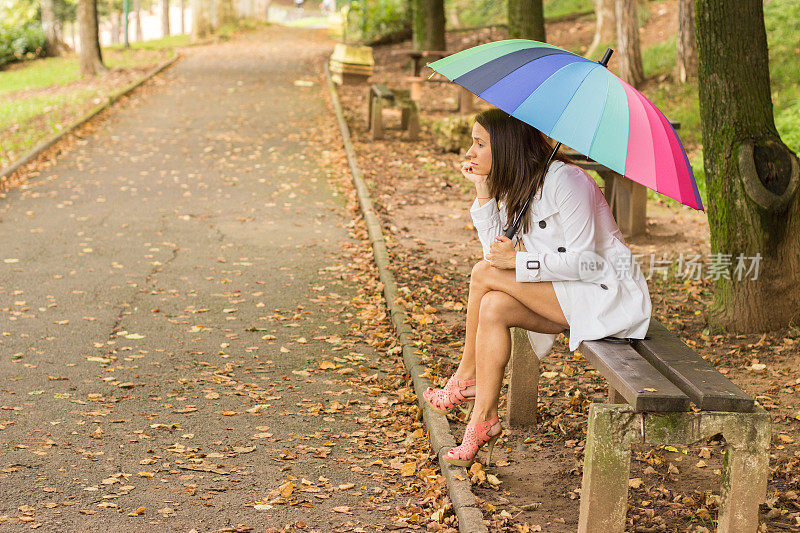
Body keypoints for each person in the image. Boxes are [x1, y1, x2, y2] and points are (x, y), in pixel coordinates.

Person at [423, 108, 651, 467]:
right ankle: (483, 420)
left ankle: (466, 376)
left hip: (604, 295)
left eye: (480, 144)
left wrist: (518, 262)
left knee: (483, 276)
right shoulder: (523, 185)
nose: (470, 152)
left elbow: (586, 262)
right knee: (493, 307)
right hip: (564, 293)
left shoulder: (568, 182)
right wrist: (483, 193)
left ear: (507, 146)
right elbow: (493, 253)